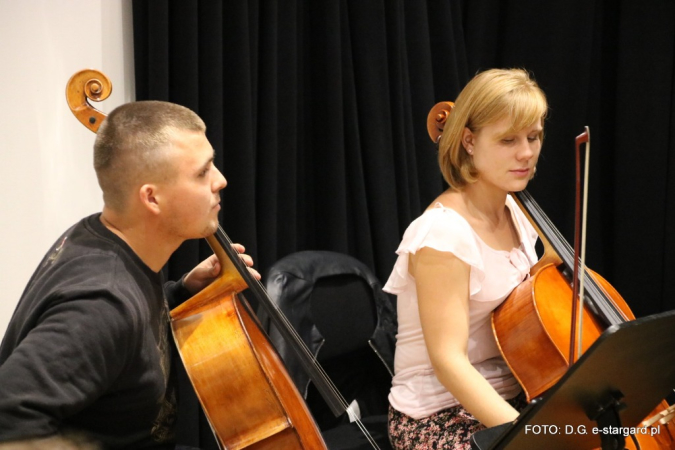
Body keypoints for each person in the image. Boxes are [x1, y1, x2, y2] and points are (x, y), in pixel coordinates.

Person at [0, 101, 259, 448]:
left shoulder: (103, 237)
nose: (221, 181)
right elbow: (9, 419)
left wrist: (180, 292)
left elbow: (123, 345)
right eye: (203, 172)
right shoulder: (101, 302)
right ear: (152, 198)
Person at [384, 68, 547, 449]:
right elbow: (449, 363)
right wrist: (533, 437)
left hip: (512, 393)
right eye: (508, 140)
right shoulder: (443, 233)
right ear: (469, 142)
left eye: (534, 136)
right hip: (438, 414)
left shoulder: (517, 212)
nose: (526, 152)